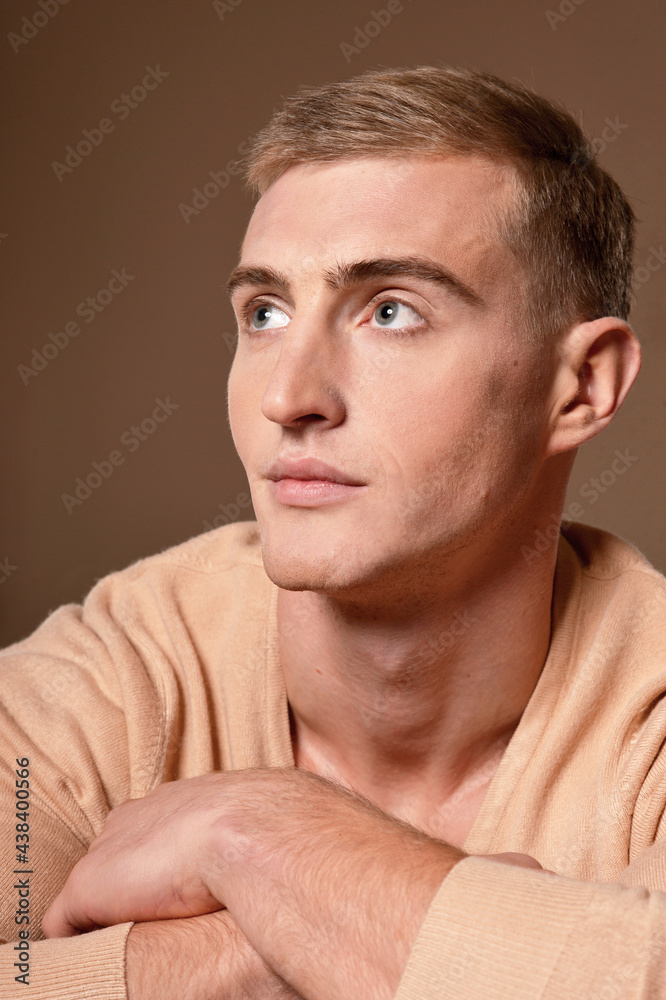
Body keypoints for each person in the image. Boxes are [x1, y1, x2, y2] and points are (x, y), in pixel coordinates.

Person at [1, 64, 665, 1000]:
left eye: (391, 311)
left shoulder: (650, 715)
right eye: (264, 313)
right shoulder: (116, 675)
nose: (288, 396)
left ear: (582, 385)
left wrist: (258, 833)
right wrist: (256, 952)